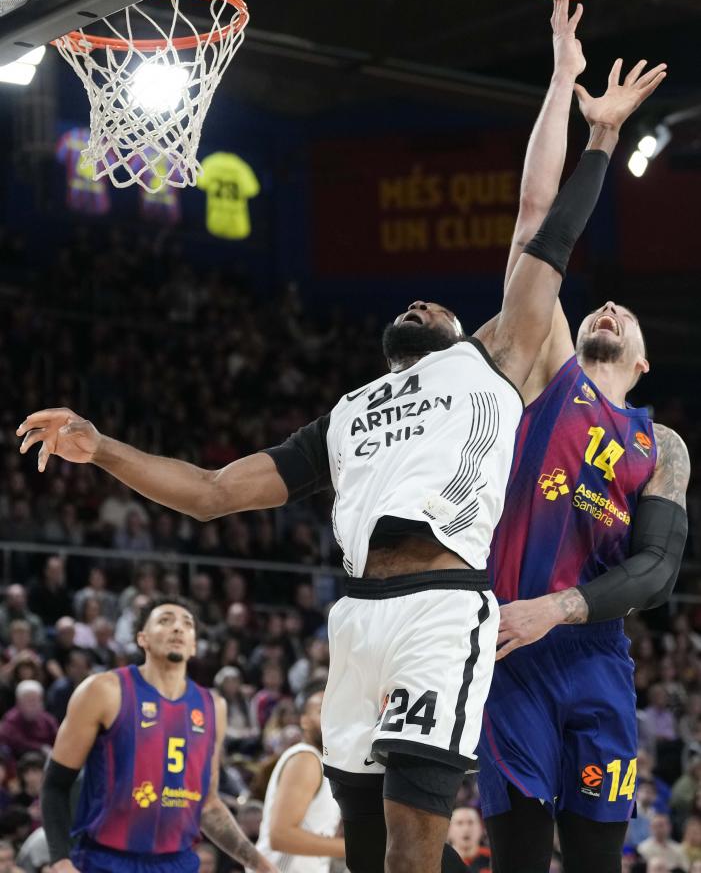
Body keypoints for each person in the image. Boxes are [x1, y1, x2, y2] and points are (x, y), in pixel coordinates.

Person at [19, 55, 640, 873]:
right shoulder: (347, 415)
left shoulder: (491, 362)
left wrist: (594, 128)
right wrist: (101, 449)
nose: (417, 301)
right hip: (354, 620)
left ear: (463, 331)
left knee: (417, 836)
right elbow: (211, 493)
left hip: (440, 608)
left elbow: (538, 224)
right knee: (368, 845)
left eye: (433, 303)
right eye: (407, 304)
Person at [476, 0, 688, 873]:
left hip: (591, 651)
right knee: (521, 860)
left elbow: (655, 571)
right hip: (509, 652)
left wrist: (560, 605)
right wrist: (568, 88)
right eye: (599, 305)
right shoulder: (545, 371)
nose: (604, 308)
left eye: (623, 314)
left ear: (640, 363)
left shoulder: (660, 444)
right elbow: (535, 224)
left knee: (599, 862)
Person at [39, 597, 277, 873]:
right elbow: (55, 785)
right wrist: (61, 861)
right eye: (165, 621)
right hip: (104, 861)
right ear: (143, 639)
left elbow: (208, 805)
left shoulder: (214, 706)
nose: (178, 628)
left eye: (186, 624)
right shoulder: (104, 691)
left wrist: (258, 863)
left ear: (194, 645)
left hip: (177, 863)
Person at [254, 683, 344, 872]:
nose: (330, 717)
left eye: (336, 709)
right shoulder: (306, 759)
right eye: (321, 710)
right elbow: (281, 836)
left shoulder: (323, 763)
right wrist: (352, 849)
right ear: (304, 720)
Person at [447, 807, 491, 871]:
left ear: (481, 828)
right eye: (459, 823)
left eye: (471, 822)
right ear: (448, 830)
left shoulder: (494, 859)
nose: (466, 829)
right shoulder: (438, 862)